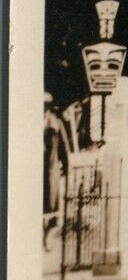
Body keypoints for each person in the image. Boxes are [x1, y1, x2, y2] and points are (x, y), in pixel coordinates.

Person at [43, 93, 70, 244]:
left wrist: (67, 168)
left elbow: (64, 149)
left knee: (50, 202)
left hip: (50, 169)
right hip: (35, 171)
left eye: (46, 106)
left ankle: (49, 235)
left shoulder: (56, 124)